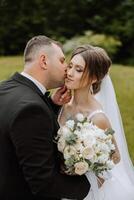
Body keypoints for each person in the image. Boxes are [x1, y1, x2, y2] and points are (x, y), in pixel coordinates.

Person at [0, 36, 90, 200]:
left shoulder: (5, 88)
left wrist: (51, 105)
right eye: (62, 61)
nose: (66, 69)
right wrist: (87, 187)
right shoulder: (32, 109)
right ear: (44, 61)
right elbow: (43, 182)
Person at [58, 45, 134, 199]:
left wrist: (83, 165)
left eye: (79, 70)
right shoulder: (62, 103)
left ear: (94, 78)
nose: (70, 73)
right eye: (70, 66)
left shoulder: (98, 118)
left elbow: (116, 156)